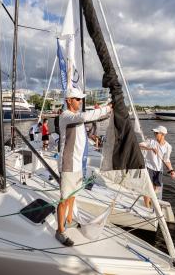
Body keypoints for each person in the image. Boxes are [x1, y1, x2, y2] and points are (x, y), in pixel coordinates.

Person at [55, 87, 112, 246]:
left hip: (79, 163)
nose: (81, 102)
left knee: (73, 195)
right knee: (64, 199)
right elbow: (86, 116)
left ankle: (69, 220)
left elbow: (91, 118)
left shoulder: (77, 117)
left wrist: (108, 109)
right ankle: (60, 231)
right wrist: (108, 107)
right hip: (68, 163)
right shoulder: (66, 116)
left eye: (81, 99)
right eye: (78, 99)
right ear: (68, 101)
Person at [139, 125, 175, 209]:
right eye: (154, 132)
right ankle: (147, 207)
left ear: (163, 134)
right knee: (148, 187)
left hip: (159, 169)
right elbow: (139, 146)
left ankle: (148, 198)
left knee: (155, 188)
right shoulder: (151, 141)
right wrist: (149, 148)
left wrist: (171, 171)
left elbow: (166, 160)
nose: (154, 134)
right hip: (149, 167)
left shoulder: (168, 147)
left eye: (156, 133)